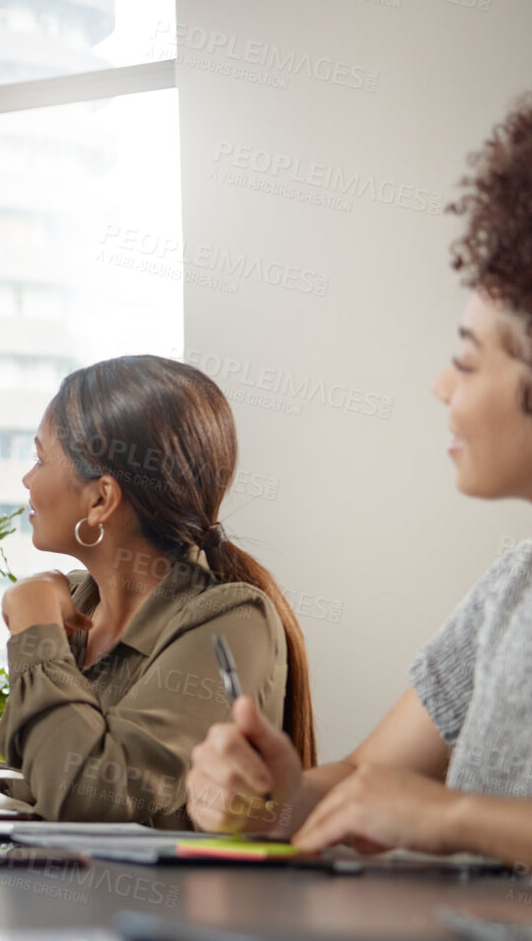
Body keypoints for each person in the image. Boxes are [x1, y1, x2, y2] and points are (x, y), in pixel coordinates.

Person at [188, 94, 532, 865]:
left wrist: (455, 818)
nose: (443, 386)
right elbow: (362, 785)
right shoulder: (513, 590)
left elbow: (422, 810)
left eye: (470, 359)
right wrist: (274, 795)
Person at [0, 356, 315, 828]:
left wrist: (36, 630)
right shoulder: (77, 601)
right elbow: (39, 781)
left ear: (100, 500)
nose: (27, 479)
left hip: (162, 903)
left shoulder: (230, 618)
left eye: (40, 459)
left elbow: (87, 799)